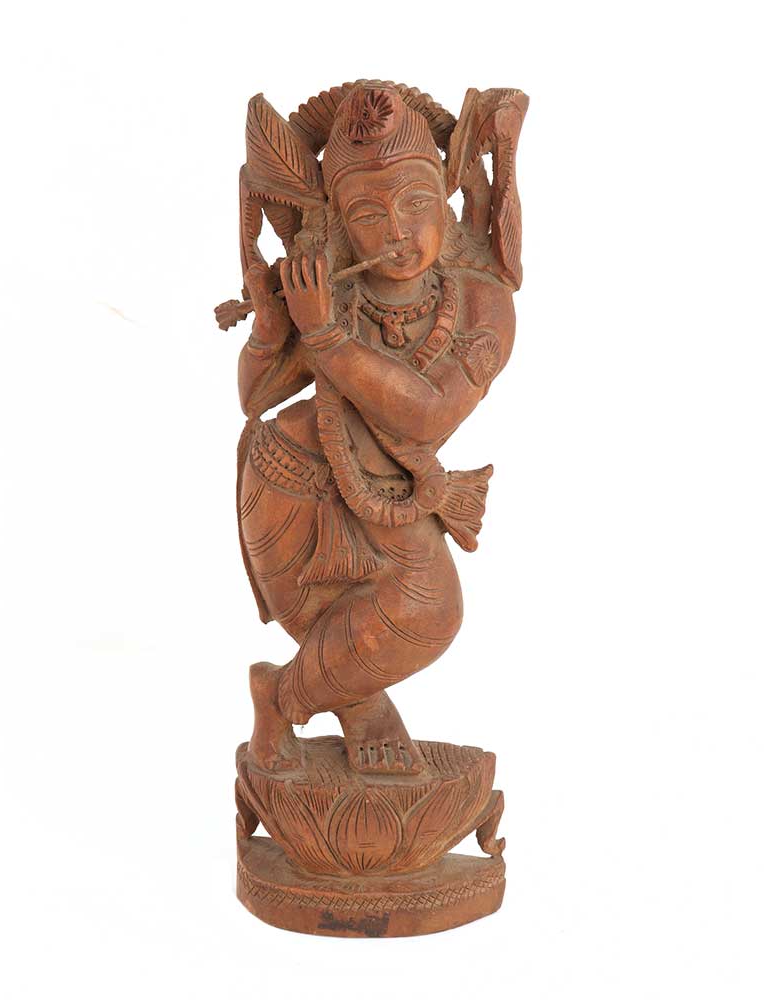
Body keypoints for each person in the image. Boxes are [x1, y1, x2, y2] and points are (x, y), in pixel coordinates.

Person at [235, 85, 518, 774]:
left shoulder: (481, 302)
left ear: (446, 200)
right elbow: (256, 397)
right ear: (340, 221)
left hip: (388, 495)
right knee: (344, 630)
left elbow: (429, 413)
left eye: (415, 203)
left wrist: (327, 338)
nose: (396, 230)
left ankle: (282, 697)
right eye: (367, 213)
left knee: (429, 614)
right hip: (289, 484)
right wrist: (272, 326)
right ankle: (351, 712)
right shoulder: (333, 286)